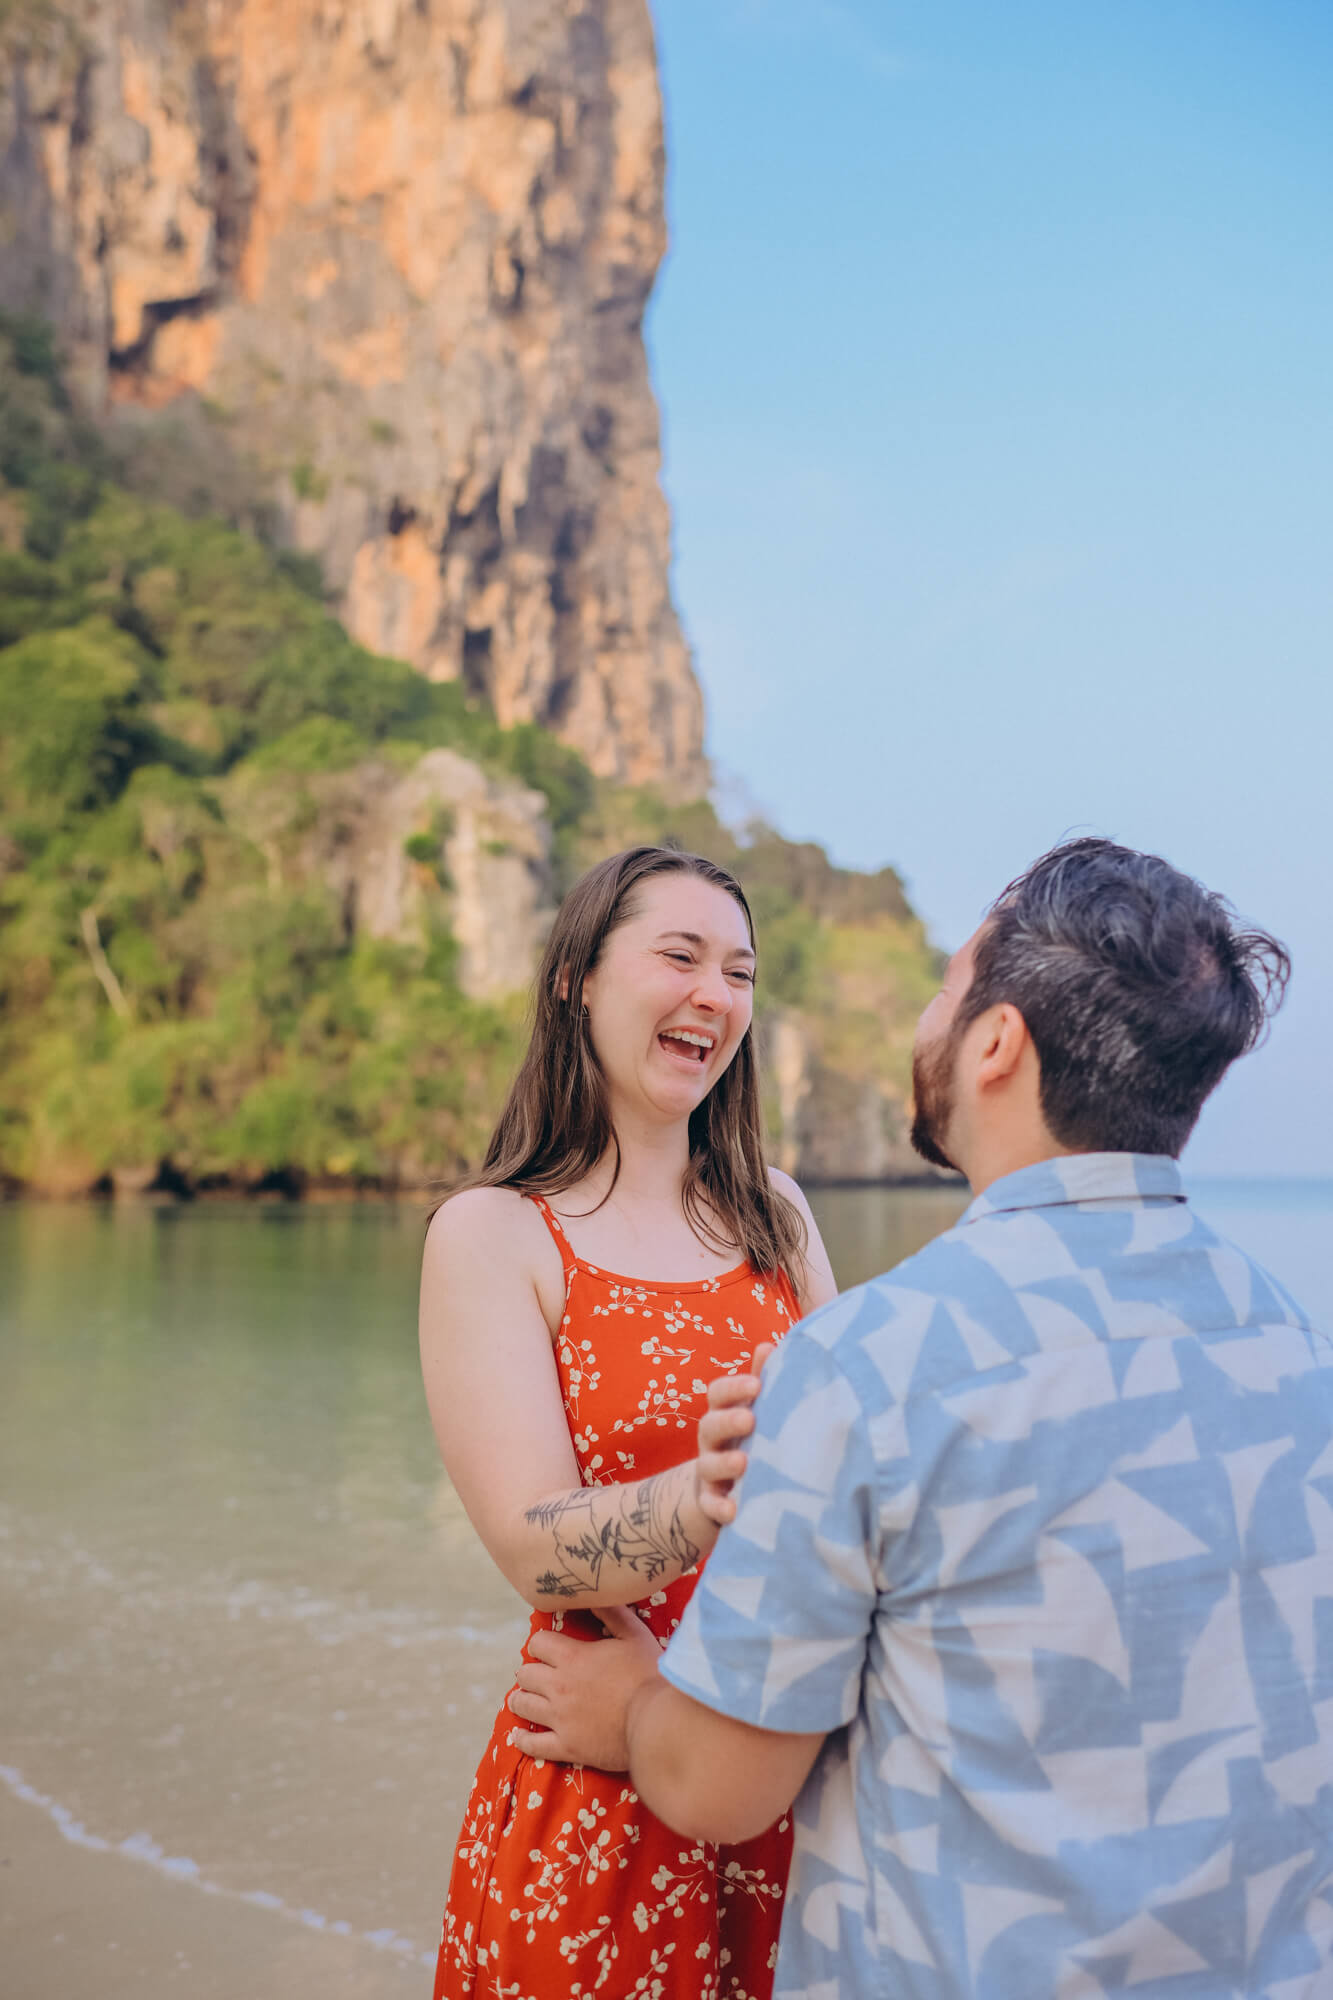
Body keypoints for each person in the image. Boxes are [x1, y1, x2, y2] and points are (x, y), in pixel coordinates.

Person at [616, 836, 1333, 1998]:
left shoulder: (870, 1363)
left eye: (950, 985)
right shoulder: (1298, 1348)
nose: (927, 1017)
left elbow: (716, 1785)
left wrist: (629, 1705)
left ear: (996, 1043)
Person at [419, 843, 837, 2000]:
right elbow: (528, 1536)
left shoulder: (777, 1211)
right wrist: (704, 1497)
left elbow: (845, 1503)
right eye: (681, 955)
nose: (717, 993)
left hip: (783, 1766)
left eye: (741, 971)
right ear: (578, 981)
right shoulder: (494, 1232)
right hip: (598, 1782)